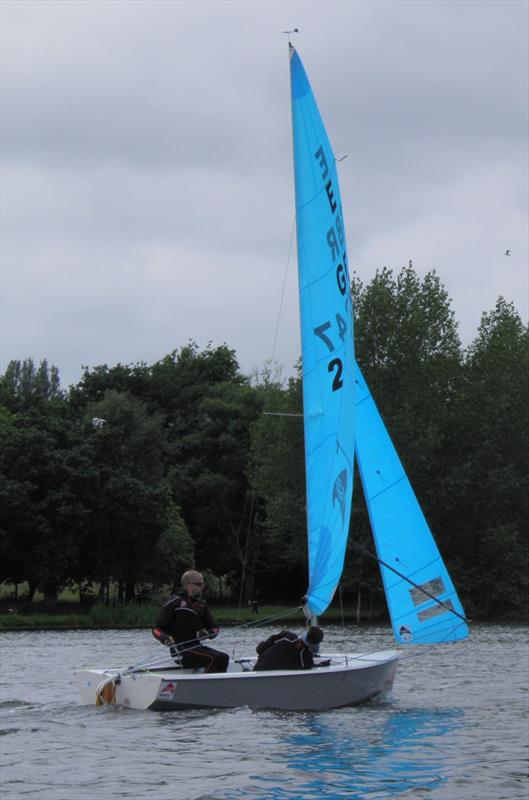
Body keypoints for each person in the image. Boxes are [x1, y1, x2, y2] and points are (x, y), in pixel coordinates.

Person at [153, 570, 229, 673]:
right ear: (190, 585)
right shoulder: (174, 603)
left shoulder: (202, 604)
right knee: (214, 658)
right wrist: (164, 638)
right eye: (200, 584)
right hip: (180, 650)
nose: (202, 587)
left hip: (197, 647)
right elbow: (156, 629)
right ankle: (205, 687)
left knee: (224, 658)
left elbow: (214, 627)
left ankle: (217, 687)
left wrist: (207, 633)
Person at [253, 626, 326, 671]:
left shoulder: (288, 636)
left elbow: (259, 649)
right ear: (315, 645)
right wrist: (321, 665)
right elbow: (310, 666)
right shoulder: (307, 659)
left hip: (258, 670)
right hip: (276, 682)